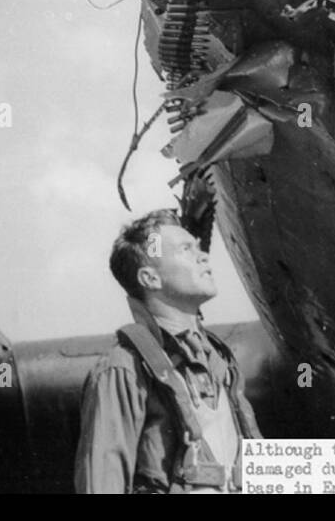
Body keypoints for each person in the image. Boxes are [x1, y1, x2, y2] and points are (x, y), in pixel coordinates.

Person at [75, 209, 262, 493]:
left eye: (199, 248)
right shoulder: (123, 369)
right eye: (186, 249)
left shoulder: (219, 361)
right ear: (150, 279)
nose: (203, 256)